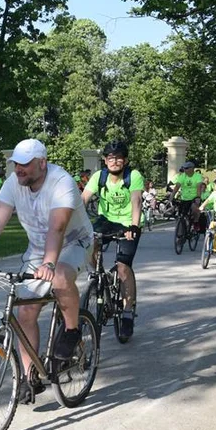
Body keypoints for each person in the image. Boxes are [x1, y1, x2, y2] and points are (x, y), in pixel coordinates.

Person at [0, 139, 93, 403]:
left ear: (42, 163)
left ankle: (71, 330)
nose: (18, 169)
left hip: (75, 242)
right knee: (25, 312)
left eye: (25, 164)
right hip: (37, 249)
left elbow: (57, 228)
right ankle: (28, 376)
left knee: (59, 277)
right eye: (15, 164)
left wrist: (49, 263)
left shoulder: (61, 182)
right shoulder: (13, 183)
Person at [80, 140, 143, 341]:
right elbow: (82, 200)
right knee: (89, 247)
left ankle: (127, 313)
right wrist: (73, 222)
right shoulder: (99, 176)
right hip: (106, 220)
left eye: (118, 158)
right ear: (105, 160)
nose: (114, 161)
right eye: (110, 158)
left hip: (127, 223)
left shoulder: (133, 176)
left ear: (125, 160)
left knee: (123, 267)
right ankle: (102, 277)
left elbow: (136, 202)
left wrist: (133, 226)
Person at [170, 161, 205, 231]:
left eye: (186, 168)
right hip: (184, 198)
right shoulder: (182, 176)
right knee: (181, 213)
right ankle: (182, 227)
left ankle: (196, 222)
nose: (185, 170)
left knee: (195, 209)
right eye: (184, 168)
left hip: (194, 197)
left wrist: (198, 197)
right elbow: (177, 187)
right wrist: (172, 196)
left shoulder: (197, 176)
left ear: (192, 169)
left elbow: (199, 188)